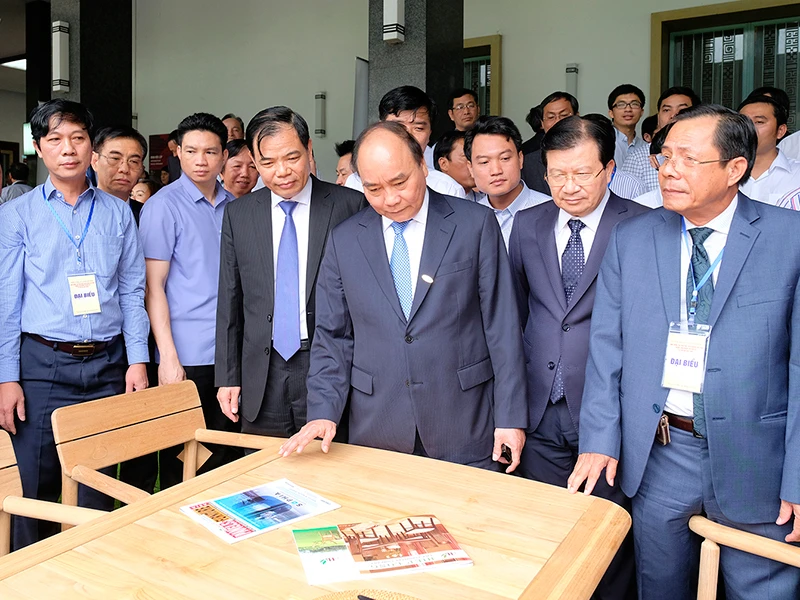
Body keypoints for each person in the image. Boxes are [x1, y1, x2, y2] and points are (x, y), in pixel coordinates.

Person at [569, 104, 800, 599]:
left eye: (688, 159)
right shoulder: (633, 237)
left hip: (759, 459)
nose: (669, 170)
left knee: (762, 589)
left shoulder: (790, 238)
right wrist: (600, 438)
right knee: (660, 586)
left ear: (735, 168)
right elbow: (607, 346)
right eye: (665, 156)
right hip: (663, 452)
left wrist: (799, 478)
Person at [279, 121, 528, 472]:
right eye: (374, 189)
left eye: (400, 182)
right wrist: (322, 412)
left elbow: (503, 328)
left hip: (464, 420)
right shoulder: (345, 240)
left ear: (422, 165)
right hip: (379, 424)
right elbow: (333, 337)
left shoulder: (475, 225)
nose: (390, 199)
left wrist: (510, 418)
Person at [509, 115, 649, 600]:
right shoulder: (527, 224)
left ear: (609, 169)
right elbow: (518, 312)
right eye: (557, 174)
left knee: (607, 536)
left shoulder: (642, 225)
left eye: (582, 174)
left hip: (610, 411)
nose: (568, 187)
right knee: (547, 531)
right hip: (541, 409)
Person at [0, 99, 148, 550]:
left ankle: (90, 568)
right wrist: (7, 377)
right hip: (42, 365)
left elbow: (132, 292)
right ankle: (30, 573)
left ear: (91, 147)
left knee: (96, 481)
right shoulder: (17, 215)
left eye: (78, 138)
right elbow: (7, 302)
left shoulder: (118, 212)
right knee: (33, 483)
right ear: (39, 147)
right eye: (55, 139)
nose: (68, 149)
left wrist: (137, 360)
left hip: (107, 365)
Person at [216, 106, 365, 439]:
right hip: (261, 370)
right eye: (268, 162)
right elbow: (230, 298)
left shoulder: (349, 206)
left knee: (329, 463)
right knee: (262, 465)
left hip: (328, 364)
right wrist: (228, 376)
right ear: (254, 161)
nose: (281, 172)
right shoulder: (239, 214)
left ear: (309, 149)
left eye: (292, 157)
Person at [139, 112, 242, 488]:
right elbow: (153, 288)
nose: (201, 160)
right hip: (186, 355)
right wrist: (167, 357)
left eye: (210, 152)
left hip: (230, 353)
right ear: (177, 152)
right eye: (192, 151)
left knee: (226, 452)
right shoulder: (162, 207)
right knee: (183, 458)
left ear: (223, 156)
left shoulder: (235, 206)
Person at [344, 86, 466, 199]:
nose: (407, 136)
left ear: (429, 134)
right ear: (380, 129)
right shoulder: (356, 183)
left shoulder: (448, 189)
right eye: (398, 127)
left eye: (418, 128)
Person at [464, 116, 550, 248]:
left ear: (520, 159)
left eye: (504, 158)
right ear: (470, 168)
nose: (496, 170)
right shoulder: (467, 220)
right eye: (484, 162)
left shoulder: (550, 211)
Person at [621, 86, 700, 193]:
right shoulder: (637, 159)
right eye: (666, 110)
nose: (673, 115)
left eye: (682, 110)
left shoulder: (709, 152)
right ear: (658, 118)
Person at [738, 94, 800, 209]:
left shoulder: (797, 175)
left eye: (759, 122)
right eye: (743, 122)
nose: (748, 128)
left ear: (780, 131)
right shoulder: (720, 172)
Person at [521, 92, 579, 194]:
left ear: (577, 117)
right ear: (542, 123)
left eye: (564, 115)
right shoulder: (527, 164)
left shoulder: (592, 155)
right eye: (551, 117)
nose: (558, 122)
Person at [90, 126, 147, 224]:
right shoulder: (77, 211)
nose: (124, 169)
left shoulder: (147, 215)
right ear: (94, 161)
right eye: (115, 158)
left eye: (133, 161)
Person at [434, 129, 484, 202]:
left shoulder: (483, 203)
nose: (473, 164)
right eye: (466, 157)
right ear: (443, 164)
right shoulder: (430, 200)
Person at [607, 84, 647, 168]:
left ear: (642, 112)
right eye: (621, 105)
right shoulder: (603, 142)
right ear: (611, 113)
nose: (628, 109)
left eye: (634, 104)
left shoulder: (646, 147)